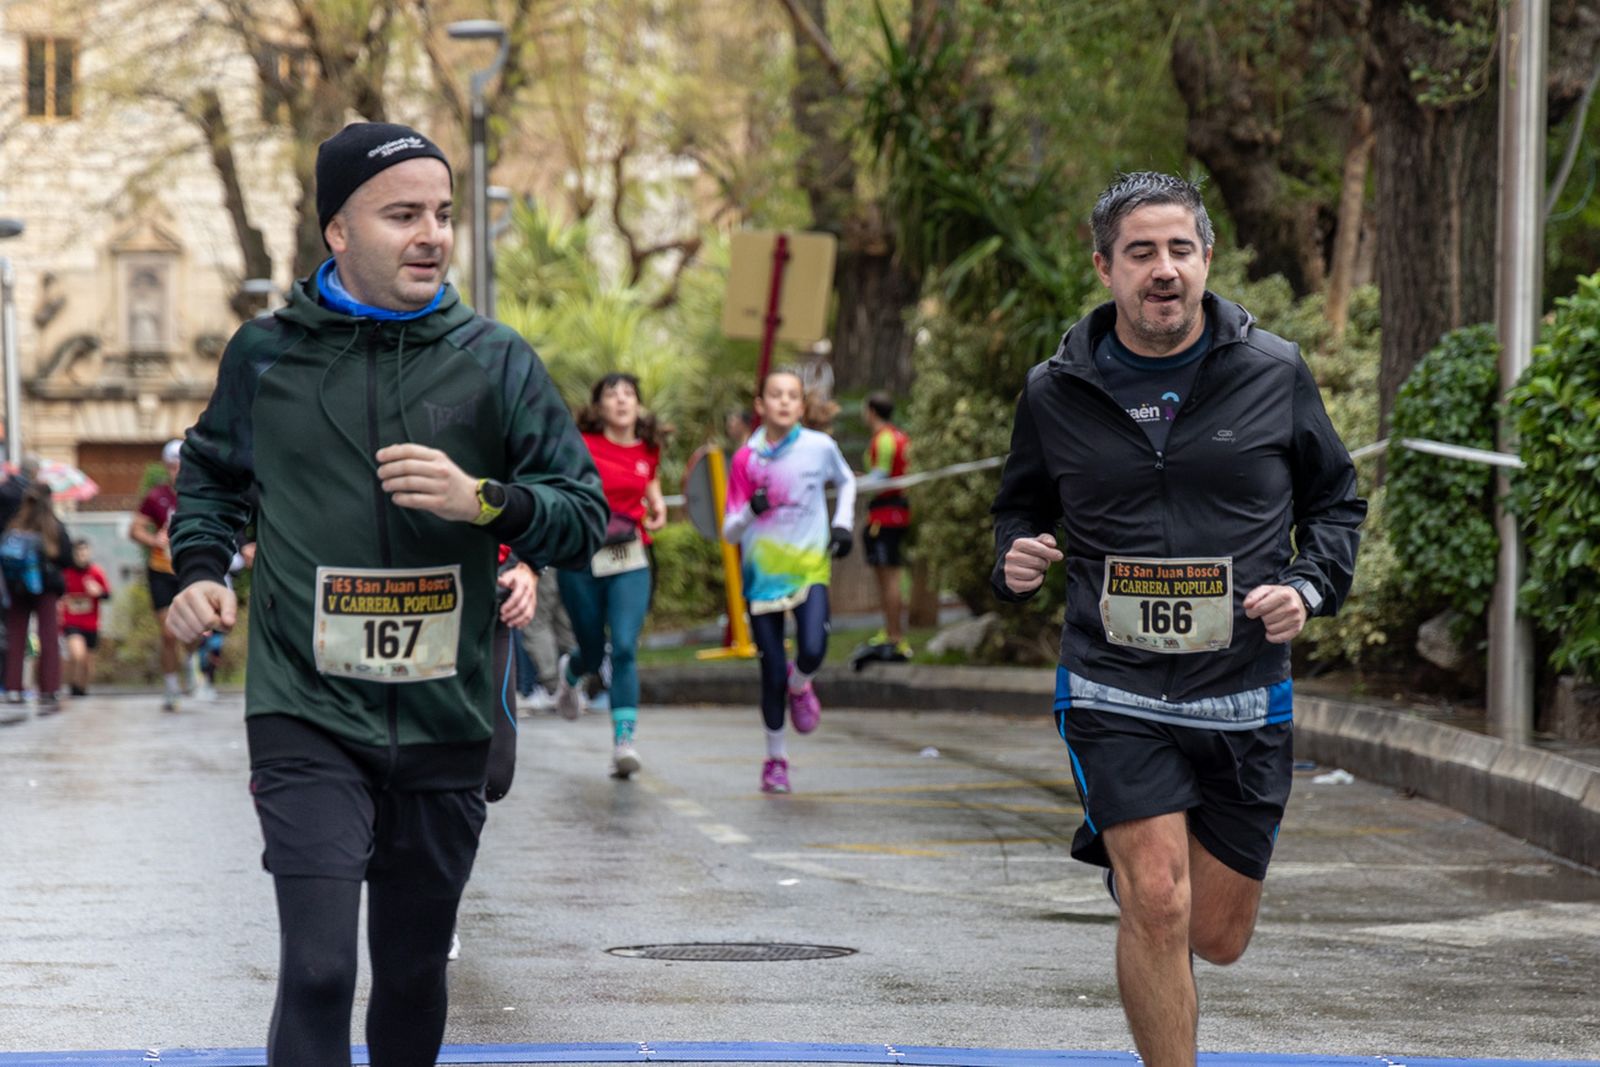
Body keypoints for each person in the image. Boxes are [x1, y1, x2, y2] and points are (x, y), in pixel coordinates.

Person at [166, 121, 607, 1067]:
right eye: (402, 214)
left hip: (447, 713)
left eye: (443, 214)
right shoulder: (266, 357)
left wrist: (485, 500)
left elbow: (582, 513)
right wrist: (200, 572)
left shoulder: (494, 360)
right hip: (305, 706)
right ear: (337, 230)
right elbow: (209, 478)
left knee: (410, 974)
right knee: (320, 969)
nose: (432, 235)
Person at [990, 172, 1365, 1067]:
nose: (1164, 270)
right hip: (1111, 684)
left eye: (1180, 249)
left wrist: (1309, 587)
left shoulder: (1272, 371)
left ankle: (1158, 907)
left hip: (1241, 691)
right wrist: (1014, 561)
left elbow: (1337, 504)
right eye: (1141, 252)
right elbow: (1018, 509)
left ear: (1206, 259)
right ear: (1105, 268)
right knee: (1156, 897)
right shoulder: (1055, 390)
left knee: (1218, 931)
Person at [722, 368, 856, 793]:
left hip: (810, 566)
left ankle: (802, 685)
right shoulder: (747, 458)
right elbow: (728, 531)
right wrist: (749, 512)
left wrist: (842, 524)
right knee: (771, 672)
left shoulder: (820, 447)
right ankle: (775, 760)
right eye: (774, 395)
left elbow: (848, 480)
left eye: (791, 396)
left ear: (802, 406)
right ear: (760, 405)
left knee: (813, 649)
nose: (783, 402)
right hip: (762, 578)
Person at [552, 373, 668, 778]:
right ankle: (571, 672)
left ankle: (624, 743)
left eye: (629, 394)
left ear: (638, 404)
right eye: (611, 394)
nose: (621, 400)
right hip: (582, 559)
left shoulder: (648, 448)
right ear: (598, 406)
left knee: (623, 647)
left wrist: (656, 505)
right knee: (592, 649)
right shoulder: (581, 446)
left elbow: (648, 483)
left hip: (631, 557)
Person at [1, 484, 74, 716]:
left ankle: (13, 688)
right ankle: (49, 689)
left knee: (15, 637)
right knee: (48, 637)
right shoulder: (54, 527)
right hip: (46, 589)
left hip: (16, 588)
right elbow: (67, 558)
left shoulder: (15, 525)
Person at [129, 439, 189, 712]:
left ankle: (190, 661)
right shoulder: (156, 496)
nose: (178, 471)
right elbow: (135, 529)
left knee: (194, 629)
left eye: (182, 466)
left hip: (190, 568)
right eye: (173, 466)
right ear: (167, 468)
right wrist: (154, 539)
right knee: (168, 633)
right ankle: (171, 688)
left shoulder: (200, 494)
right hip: (162, 569)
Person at [860, 391, 912, 658]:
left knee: (889, 579)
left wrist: (853, 483)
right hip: (894, 513)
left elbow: (880, 478)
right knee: (889, 577)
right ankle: (891, 632)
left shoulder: (884, 439)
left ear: (871, 411)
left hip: (885, 516)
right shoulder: (900, 436)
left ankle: (895, 636)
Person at [61, 538, 112, 697]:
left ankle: (81, 689)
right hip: (71, 622)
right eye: (78, 552)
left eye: (84, 552)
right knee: (77, 654)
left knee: (88, 664)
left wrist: (98, 592)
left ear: (88, 553)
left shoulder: (96, 572)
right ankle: (72, 686)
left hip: (91, 624)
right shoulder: (66, 573)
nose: (81, 555)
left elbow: (108, 595)